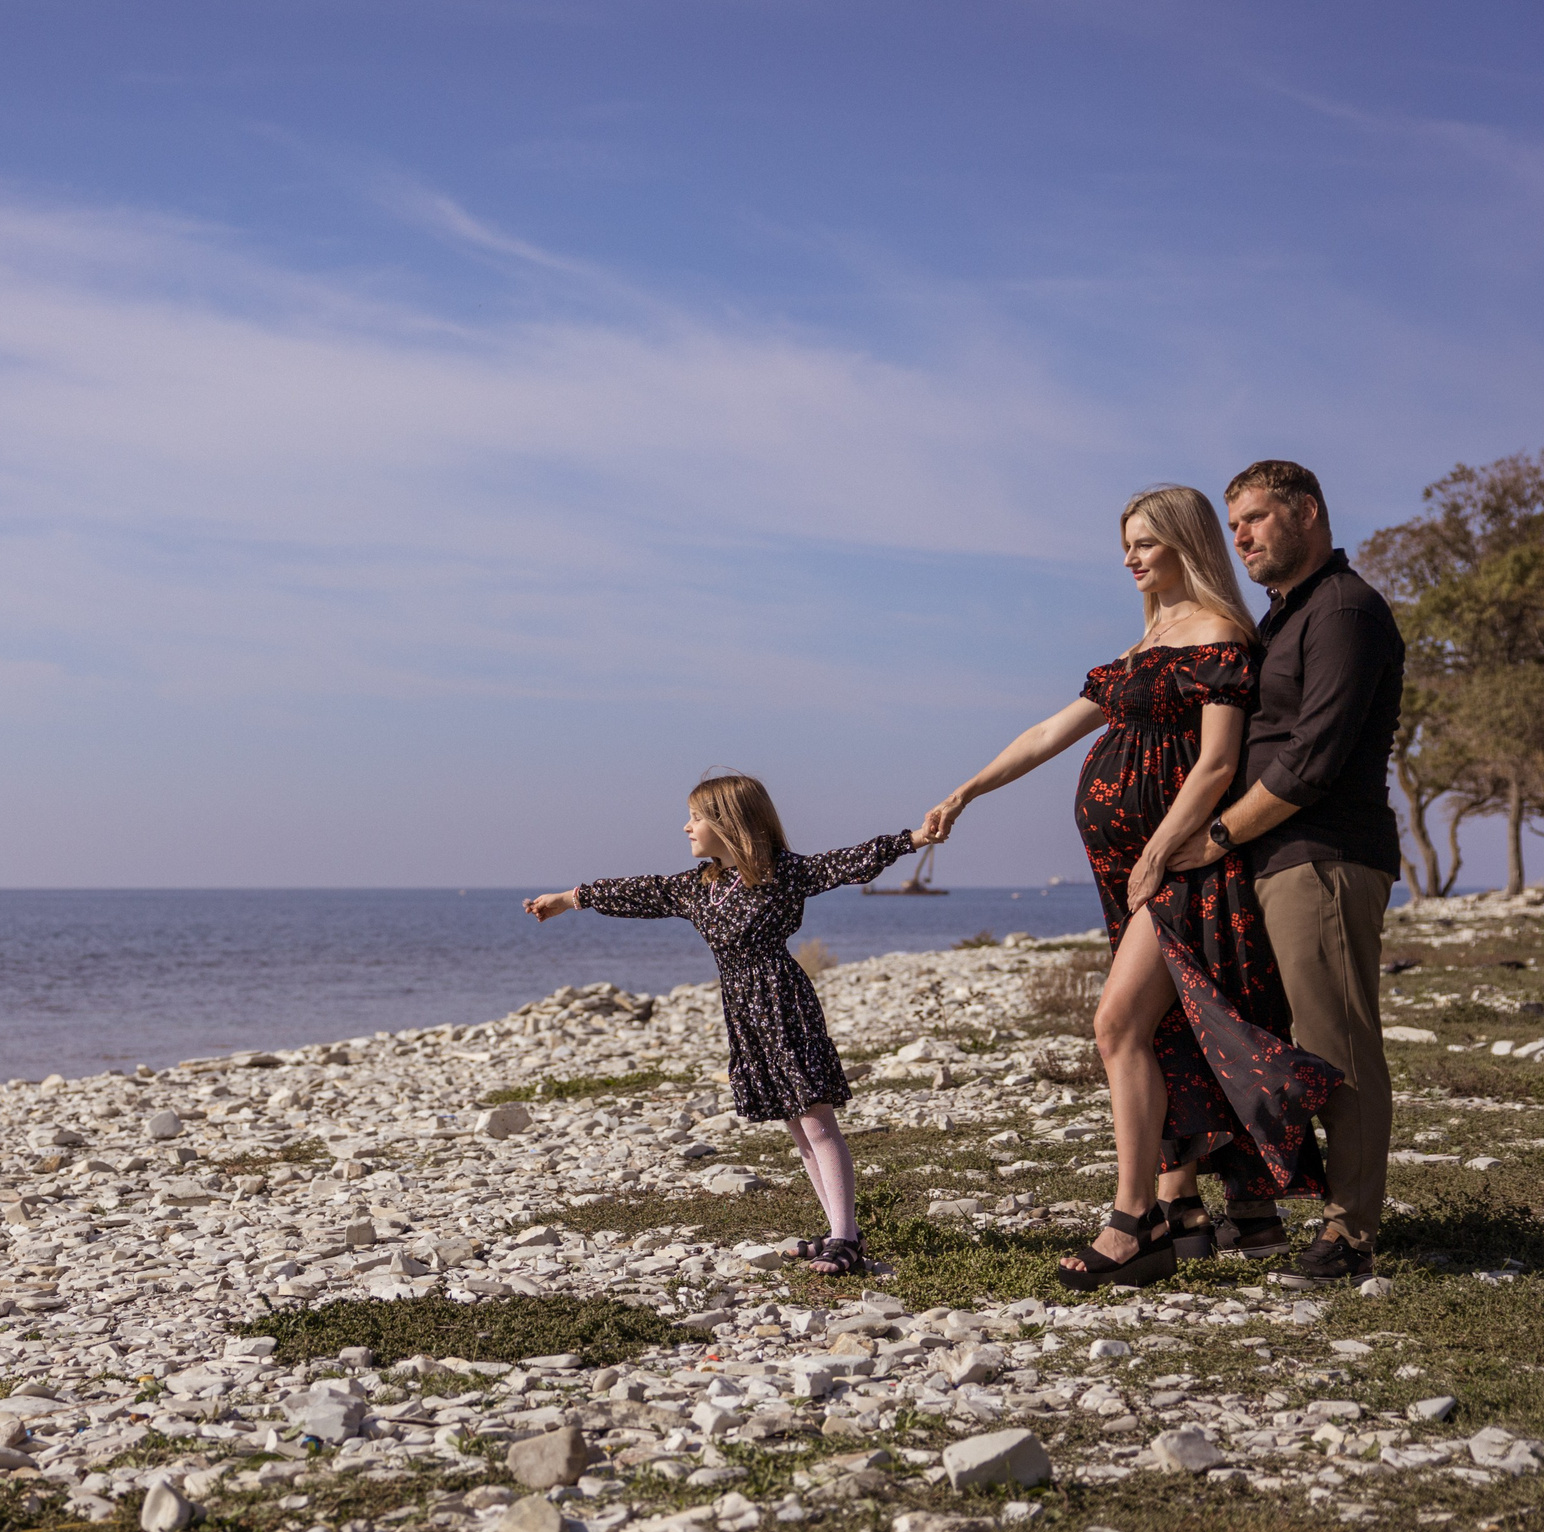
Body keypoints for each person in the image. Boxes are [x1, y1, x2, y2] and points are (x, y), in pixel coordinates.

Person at [919, 485, 1340, 1291]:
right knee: (1165, 1032)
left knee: (1116, 1023)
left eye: (1145, 542)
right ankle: (1187, 1207)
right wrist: (966, 791)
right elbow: (1048, 732)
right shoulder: (1144, 645)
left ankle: (1132, 1220)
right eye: (1127, 544)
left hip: (1183, 867)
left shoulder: (1219, 635)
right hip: (1128, 873)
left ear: (1185, 542)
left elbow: (1217, 763)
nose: (1131, 557)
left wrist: (1161, 848)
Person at [1161, 461, 1406, 1280]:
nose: (1242, 537)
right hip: (1269, 863)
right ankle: (1268, 1201)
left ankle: (1351, 1234)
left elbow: (1314, 762)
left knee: (1338, 1047)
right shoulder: (1282, 617)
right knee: (1280, 1042)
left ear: (1307, 512)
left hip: (1322, 859)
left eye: (1257, 518)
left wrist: (1216, 834)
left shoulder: (1344, 610)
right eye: (1234, 526)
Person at [524, 774, 913, 1277]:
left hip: (782, 999)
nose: (686, 827)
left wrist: (912, 840)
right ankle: (842, 1233)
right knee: (795, 1122)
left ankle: (844, 1240)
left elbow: (846, 862)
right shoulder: (698, 887)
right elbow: (639, 892)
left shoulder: (782, 873)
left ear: (730, 823)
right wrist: (568, 897)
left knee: (815, 1117)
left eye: (697, 818)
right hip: (743, 1008)